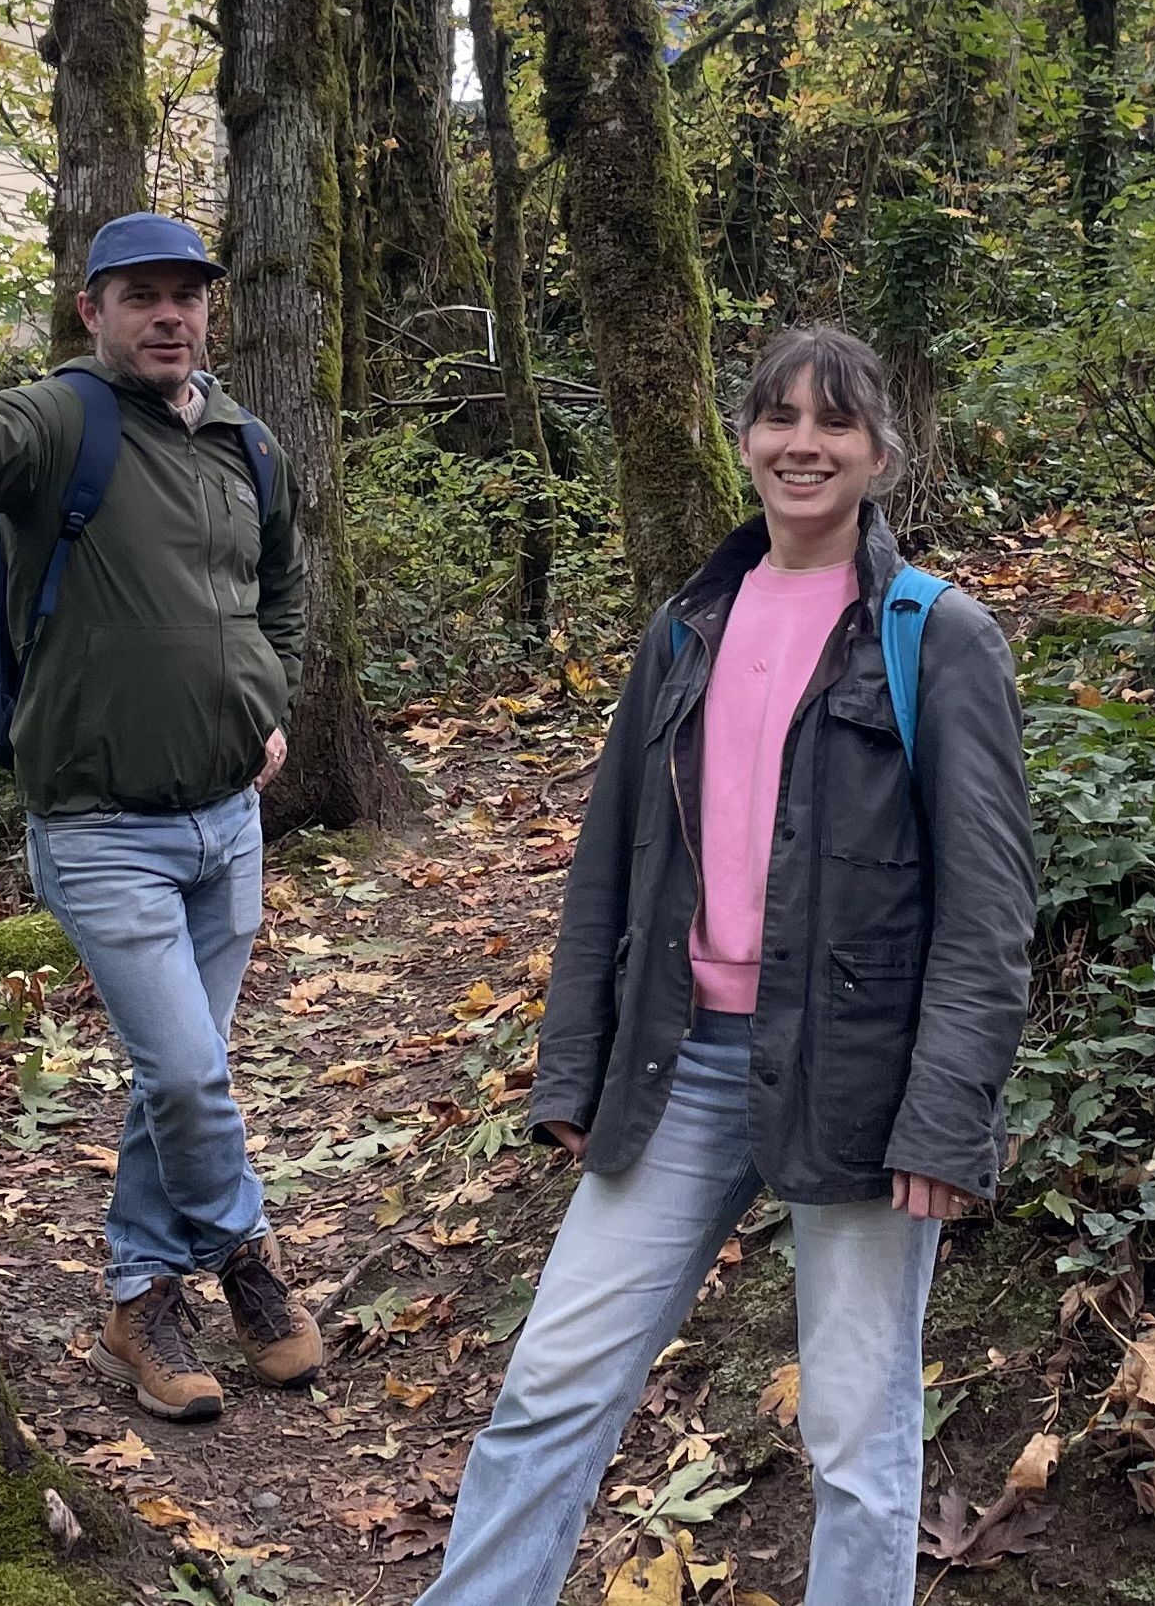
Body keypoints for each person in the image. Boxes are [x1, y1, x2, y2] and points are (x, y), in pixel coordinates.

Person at [417, 322, 1038, 1606]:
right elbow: (612, 868)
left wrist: (945, 1117)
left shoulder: (939, 635)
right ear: (744, 439)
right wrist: (573, 1074)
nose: (802, 445)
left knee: (858, 1436)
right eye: (778, 420)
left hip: (858, 1084)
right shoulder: (687, 626)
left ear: (879, 453)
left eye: (834, 424)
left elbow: (989, 908)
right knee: (549, 1389)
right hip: (679, 1061)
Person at [0, 210, 322, 1424]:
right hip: (99, 825)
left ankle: (135, 1296)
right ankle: (246, 1262)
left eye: (188, 296)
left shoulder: (247, 443)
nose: (171, 316)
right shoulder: (64, 420)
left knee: (182, 1079)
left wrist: (267, 698)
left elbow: (277, 594)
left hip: (229, 821)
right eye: (142, 298)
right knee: (185, 1068)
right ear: (95, 313)